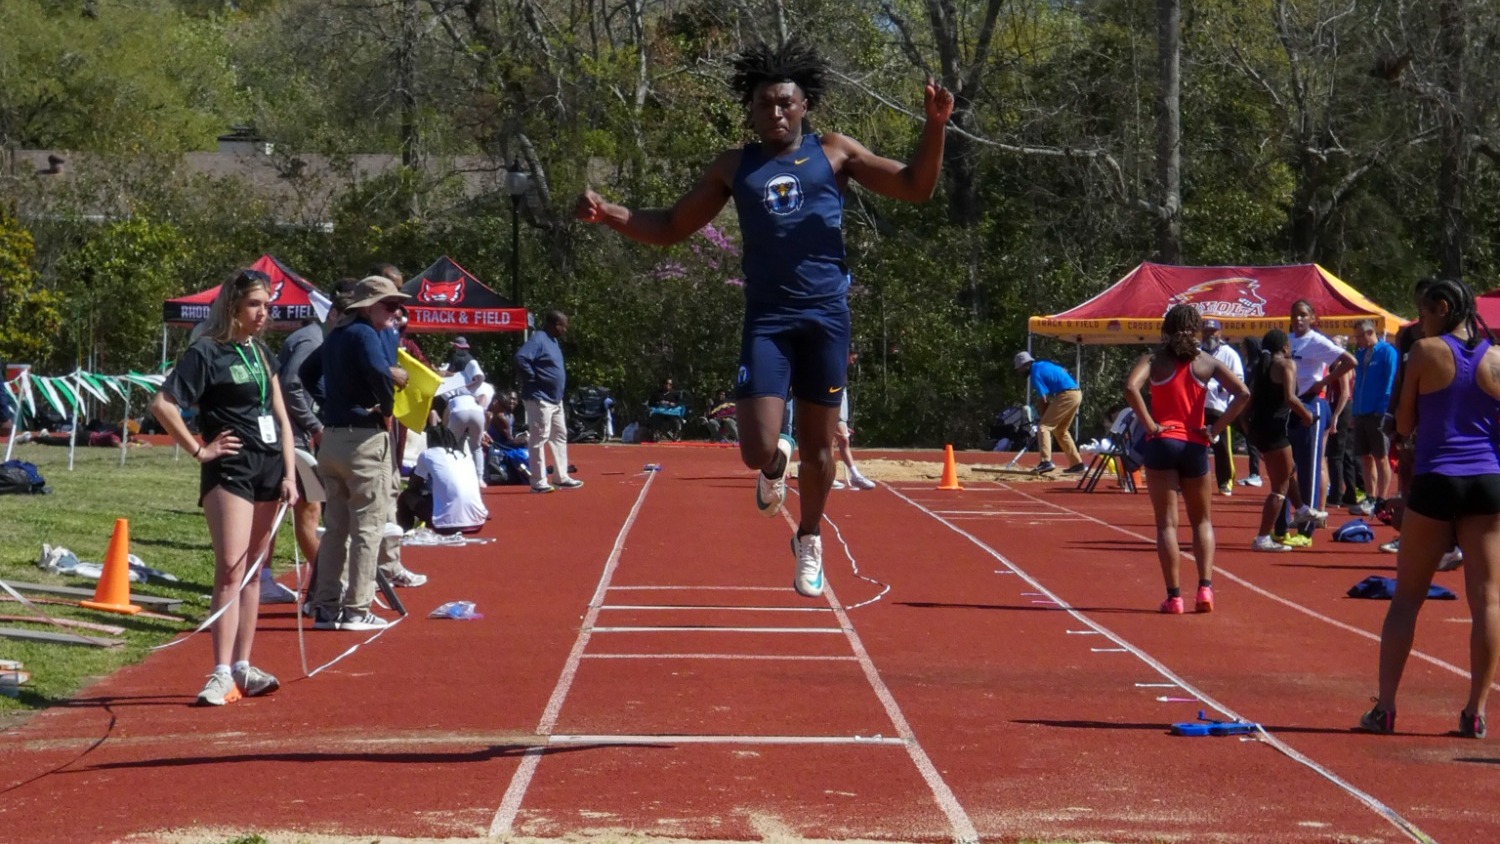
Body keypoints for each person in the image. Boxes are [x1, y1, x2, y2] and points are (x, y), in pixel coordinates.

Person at [574, 39, 952, 597]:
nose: (775, 113)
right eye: (763, 105)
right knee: (755, 447)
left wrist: (935, 125)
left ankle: (808, 537)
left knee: (823, 451)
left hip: (825, 317)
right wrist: (609, 214)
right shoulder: (735, 166)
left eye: (784, 103)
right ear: (750, 112)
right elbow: (673, 224)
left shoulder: (834, 152)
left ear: (803, 105)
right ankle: (773, 468)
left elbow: (915, 187)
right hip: (769, 319)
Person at [149, 268, 298, 706]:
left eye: (267, 306)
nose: (263, 313)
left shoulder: (261, 353)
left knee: (254, 571)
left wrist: (290, 474)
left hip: (269, 468)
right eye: (255, 305)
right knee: (231, 569)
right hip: (230, 469)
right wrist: (200, 450)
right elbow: (162, 404)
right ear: (232, 306)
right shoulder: (206, 353)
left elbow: (282, 418)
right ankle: (218, 670)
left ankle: (243, 666)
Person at [1360, 278, 1500, 739]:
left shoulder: (1424, 352)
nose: (1418, 323)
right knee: (1488, 601)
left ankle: (1386, 708)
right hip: (1487, 482)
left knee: (1406, 599)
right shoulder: (1497, 357)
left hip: (1438, 478)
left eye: (1422, 313)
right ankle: (1475, 712)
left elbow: (1403, 421)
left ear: (1442, 308)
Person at [1123, 304, 1250, 613]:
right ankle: (1205, 589)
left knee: (1167, 525)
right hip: (1194, 444)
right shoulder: (1206, 362)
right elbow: (1243, 393)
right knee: (1202, 520)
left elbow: (1130, 388)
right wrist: (1215, 429)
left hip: (1163, 442)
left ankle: (1174, 596)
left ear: (1165, 330)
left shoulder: (1153, 360)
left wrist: (1151, 425)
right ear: (1197, 331)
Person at [301, 275, 409, 632]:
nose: (395, 313)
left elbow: (306, 372)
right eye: (389, 305)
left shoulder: (336, 334)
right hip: (364, 441)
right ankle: (357, 609)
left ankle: (326, 606)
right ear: (369, 306)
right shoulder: (365, 334)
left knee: (335, 529)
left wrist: (330, 402)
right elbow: (380, 372)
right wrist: (386, 407)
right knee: (367, 527)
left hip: (331, 438)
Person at [1281, 300, 1356, 534]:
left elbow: (1349, 361)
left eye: (1303, 315)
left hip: (1310, 405)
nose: (1299, 319)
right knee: (1285, 466)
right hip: (1289, 407)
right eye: (1295, 315)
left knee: (1309, 468)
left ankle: (1307, 530)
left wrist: (1322, 382)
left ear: (1313, 318)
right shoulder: (1288, 341)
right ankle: (1284, 525)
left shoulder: (1317, 341)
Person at [1245, 330, 1316, 552]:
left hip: (1259, 430)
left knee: (1289, 469)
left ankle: (1302, 508)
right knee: (1279, 487)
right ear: (1285, 347)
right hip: (1275, 431)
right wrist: (1308, 416)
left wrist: (1249, 431)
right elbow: (1291, 398)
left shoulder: (1259, 367)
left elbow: (1247, 401)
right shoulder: (1286, 365)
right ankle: (1262, 537)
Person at [272, 313, 325, 604]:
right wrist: (314, 425)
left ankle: (262, 577)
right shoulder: (313, 340)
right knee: (309, 507)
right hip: (293, 436)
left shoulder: (314, 338)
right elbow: (291, 384)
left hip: (293, 433)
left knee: (282, 506)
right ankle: (326, 580)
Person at [514, 310, 582, 492]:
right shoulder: (539, 339)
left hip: (555, 399)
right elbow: (521, 357)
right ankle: (538, 482)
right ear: (553, 324)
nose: (565, 329)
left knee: (559, 435)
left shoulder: (553, 341)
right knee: (539, 438)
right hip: (540, 398)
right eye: (562, 325)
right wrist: (532, 377)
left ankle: (561, 476)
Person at [397, 425, 489, 534]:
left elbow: (414, 485)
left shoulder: (427, 454)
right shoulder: (464, 456)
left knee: (406, 496)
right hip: (478, 522)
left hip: (446, 526)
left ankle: (404, 530)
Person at [1349, 319, 1398, 516]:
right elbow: (1357, 382)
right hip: (1361, 411)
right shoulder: (1359, 354)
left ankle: (1382, 498)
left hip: (1377, 413)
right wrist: (1354, 410)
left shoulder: (1387, 352)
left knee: (1381, 456)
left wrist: (1383, 408)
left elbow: (1391, 380)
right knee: (1365, 457)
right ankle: (1370, 496)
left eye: (1360, 336)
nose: (1358, 340)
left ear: (1370, 333)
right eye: (1356, 336)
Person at [1013, 351, 1085, 475]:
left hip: (1066, 394)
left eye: (1019, 369)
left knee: (1043, 427)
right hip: (1076, 394)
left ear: (1025, 365)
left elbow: (1043, 399)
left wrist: (1043, 418)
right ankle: (1077, 464)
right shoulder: (1042, 365)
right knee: (1060, 431)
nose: (1019, 372)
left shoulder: (1035, 373)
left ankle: (1046, 462)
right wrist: (1045, 416)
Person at [1199, 318, 1245, 495]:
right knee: (1194, 444)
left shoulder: (1229, 354)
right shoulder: (1197, 352)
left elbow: (1239, 380)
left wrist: (1223, 388)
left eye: (1213, 331)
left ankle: (1225, 481)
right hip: (1198, 406)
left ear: (1220, 333)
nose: (1209, 335)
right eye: (1206, 332)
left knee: (1222, 446)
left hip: (1219, 406)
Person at [440, 359, 489, 485]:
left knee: (451, 446)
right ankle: (479, 479)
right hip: (476, 411)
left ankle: (452, 477)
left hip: (457, 410)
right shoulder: (470, 381)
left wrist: (445, 428)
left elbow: (447, 412)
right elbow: (483, 398)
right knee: (476, 447)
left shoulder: (447, 386)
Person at [1235, 335, 1266, 489]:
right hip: (1249, 406)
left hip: (1252, 407)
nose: (1241, 349)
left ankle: (1256, 474)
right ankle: (1254, 472)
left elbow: (1252, 387)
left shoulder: (1255, 365)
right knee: (1250, 439)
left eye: (1243, 346)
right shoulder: (1250, 364)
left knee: (1252, 440)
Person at [482, 390, 531, 485]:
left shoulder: (510, 416)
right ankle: (528, 475)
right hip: (496, 447)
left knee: (524, 448)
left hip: (501, 445)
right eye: (509, 399)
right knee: (520, 453)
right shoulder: (498, 416)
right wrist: (525, 439)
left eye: (514, 399)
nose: (511, 402)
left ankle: (528, 473)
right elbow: (509, 440)